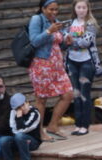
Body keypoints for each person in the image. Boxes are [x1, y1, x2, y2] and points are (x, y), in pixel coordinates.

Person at [28, 0, 74, 141]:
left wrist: (67, 43)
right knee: (42, 100)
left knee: (68, 94)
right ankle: (39, 132)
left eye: (56, 9)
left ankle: (53, 125)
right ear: (43, 8)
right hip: (41, 66)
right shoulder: (37, 20)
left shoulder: (56, 21)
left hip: (57, 67)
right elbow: (34, 41)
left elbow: (58, 45)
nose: (54, 12)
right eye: (51, 9)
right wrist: (49, 31)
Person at [65, 0, 101, 136]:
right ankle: (77, 124)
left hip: (86, 62)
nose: (81, 10)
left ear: (87, 9)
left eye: (84, 7)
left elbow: (86, 42)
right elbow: (63, 40)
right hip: (72, 61)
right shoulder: (70, 23)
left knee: (84, 93)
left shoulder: (90, 24)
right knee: (76, 93)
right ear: (74, 8)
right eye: (78, 7)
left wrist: (70, 41)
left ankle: (85, 125)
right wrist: (67, 41)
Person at [8, 93, 40, 160]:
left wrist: (19, 118)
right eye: (18, 108)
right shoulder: (13, 112)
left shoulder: (35, 113)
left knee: (20, 136)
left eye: (22, 105)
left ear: (27, 102)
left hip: (33, 142)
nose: (21, 109)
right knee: (3, 140)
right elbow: (12, 128)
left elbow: (25, 129)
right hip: (18, 138)